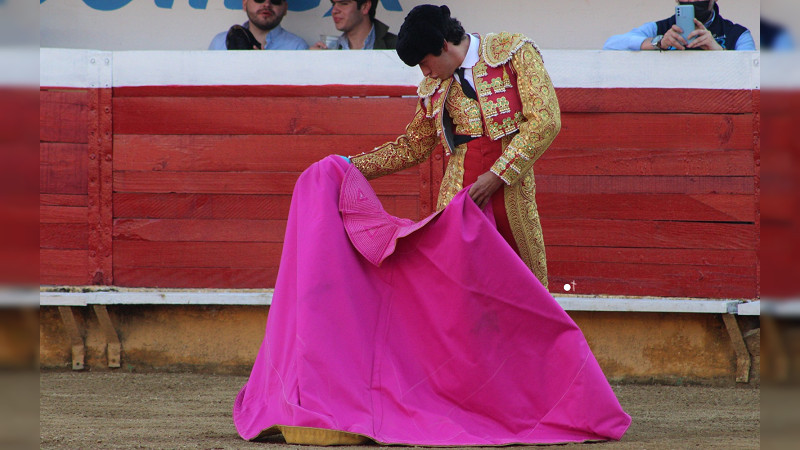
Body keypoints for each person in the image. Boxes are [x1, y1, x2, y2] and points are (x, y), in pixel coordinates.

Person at [347, 4, 561, 288]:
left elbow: (545, 121)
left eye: (425, 63)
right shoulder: (434, 88)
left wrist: (496, 176)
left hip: (512, 195)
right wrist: (350, 167)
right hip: (460, 200)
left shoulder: (512, 52)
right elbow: (413, 147)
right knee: (457, 292)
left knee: (529, 288)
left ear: (443, 45)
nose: (426, 74)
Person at [603, 0, 755, 51]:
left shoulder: (738, 34)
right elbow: (611, 45)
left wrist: (718, 50)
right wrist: (659, 42)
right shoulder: (660, 28)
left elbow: (753, 72)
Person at [209, 0, 308, 50]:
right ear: (245, 4)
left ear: (285, 8)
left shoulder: (297, 47)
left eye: (275, 0)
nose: (267, 4)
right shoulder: (219, 43)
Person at [311, 0, 397, 49]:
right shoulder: (329, 48)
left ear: (365, 7)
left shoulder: (397, 45)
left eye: (344, 3)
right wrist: (312, 62)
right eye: (333, 4)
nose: (334, 11)